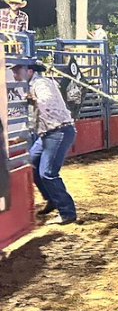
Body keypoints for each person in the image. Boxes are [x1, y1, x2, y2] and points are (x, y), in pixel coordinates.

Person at [11, 61, 76, 224]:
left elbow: (45, 101)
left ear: (30, 71)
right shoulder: (36, 84)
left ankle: (67, 212)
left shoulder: (41, 84)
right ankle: (53, 199)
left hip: (58, 131)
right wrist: (22, 134)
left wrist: (33, 98)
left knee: (47, 173)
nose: (15, 74)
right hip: (49, 133)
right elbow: (36, 115)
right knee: (32, 165)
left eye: (18, 70)